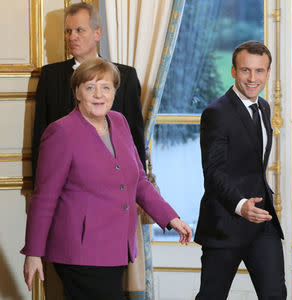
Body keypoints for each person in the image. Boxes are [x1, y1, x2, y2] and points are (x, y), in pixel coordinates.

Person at [22, 58, 192, 300]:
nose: (98, 95)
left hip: (116, 247)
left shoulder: (120, 122)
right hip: (79, 251)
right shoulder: (61, 132)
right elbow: (45, 197)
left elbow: (139, 182)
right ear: (77, 92)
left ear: (114, 92)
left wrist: (171, 217)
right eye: (90, 87)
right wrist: (34, 252)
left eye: (106, 87)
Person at [194, 41, 287, 299]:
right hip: (225, 222)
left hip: (261, 223)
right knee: (212, 296)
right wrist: (241, 204)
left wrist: (255, 204)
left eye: (259, 71)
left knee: (275, 294)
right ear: (233, 71)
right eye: (245, 70)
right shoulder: (216, 113)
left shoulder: (265, 107)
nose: (252, 78)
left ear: (268, 73)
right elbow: (213, 172)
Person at [32, 2, 146, 182]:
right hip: (63, 185)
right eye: (68, 31)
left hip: (114, 183)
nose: (72, 37)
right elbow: (40, 136)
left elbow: (135, 137)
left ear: (97, 33)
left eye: (79, 30)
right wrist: (39, 185)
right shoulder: (50, 76)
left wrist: (140, 183)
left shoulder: (126, 76)